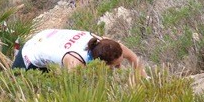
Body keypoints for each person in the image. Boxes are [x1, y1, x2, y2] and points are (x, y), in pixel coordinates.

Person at [11, 28, 143, 74]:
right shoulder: (75, 64)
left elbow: (132, 58)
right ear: (101, 63)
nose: (120, 67)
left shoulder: (108, 44)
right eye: (116, 65)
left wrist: (145, 81)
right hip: (32, 52)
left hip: (50, 37)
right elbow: (75, 95)